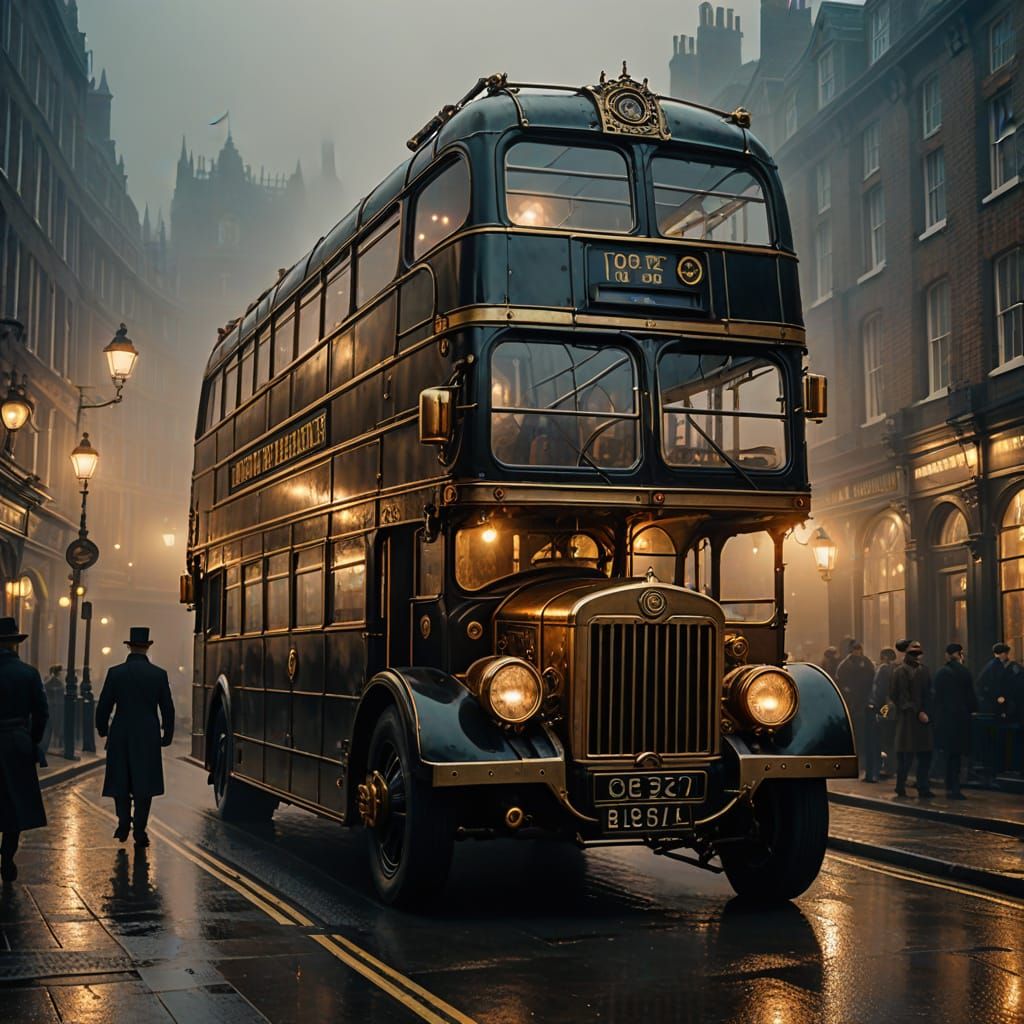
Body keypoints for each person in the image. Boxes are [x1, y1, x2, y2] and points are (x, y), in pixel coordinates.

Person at [96, 627, 174, 847]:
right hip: (148, 733)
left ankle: (123, 822)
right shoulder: (158, 674)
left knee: (120, 780)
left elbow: (104, 705)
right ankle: (140, 830)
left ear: (129, 647)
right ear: (147, 648)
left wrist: (102, 729)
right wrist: (167, 734)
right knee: (144, 784)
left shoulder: (115, 673)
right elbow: (167, 708)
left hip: (121, 731)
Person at [0, 617, 48, 883]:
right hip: (17, 741)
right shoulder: (28, 673)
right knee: (14, 803)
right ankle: (7, 857)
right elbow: (41, 713)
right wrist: (32, 740)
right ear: (15, 644)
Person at [932, 643, 977, 799]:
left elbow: (935, 697)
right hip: (961, 719)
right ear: (959, 655)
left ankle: (948, 785)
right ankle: (954, 787)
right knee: (956, 756)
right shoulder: (965, 672)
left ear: (947, 655)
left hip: (945, 719)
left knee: (947, 754)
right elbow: (971, 697)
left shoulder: (941, 673)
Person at [892, 640, 934, 798]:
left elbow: (929, 693)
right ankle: (900, 786)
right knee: (906, 757)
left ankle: (923, 786)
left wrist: (926, 712)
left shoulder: (924, 671)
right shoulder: (900, 672)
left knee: (925, 755)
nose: (917, 656)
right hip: (908, 721)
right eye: (913, 653)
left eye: (918, 653)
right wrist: (917, 712)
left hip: (923, 719)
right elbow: (900, 697)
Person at [836, 641, 876, 780]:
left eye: (859, 649)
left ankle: (864, 764)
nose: (858, 652)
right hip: (852, 704)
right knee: (855, 736)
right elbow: (840, 683)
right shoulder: (845, 666)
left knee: (865, 736)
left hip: (864, 704)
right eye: (855, 650)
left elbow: (872, 680)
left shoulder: (867, 663)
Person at [868, 648, 898, 781]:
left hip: (883, 707)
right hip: (892, 708)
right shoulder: (895, 669)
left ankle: (883, 767)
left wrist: (877, 707)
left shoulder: (883, 670)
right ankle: (890, 767)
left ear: (884, 657)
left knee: (880, 737)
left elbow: (879, 690)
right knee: (889, 739)